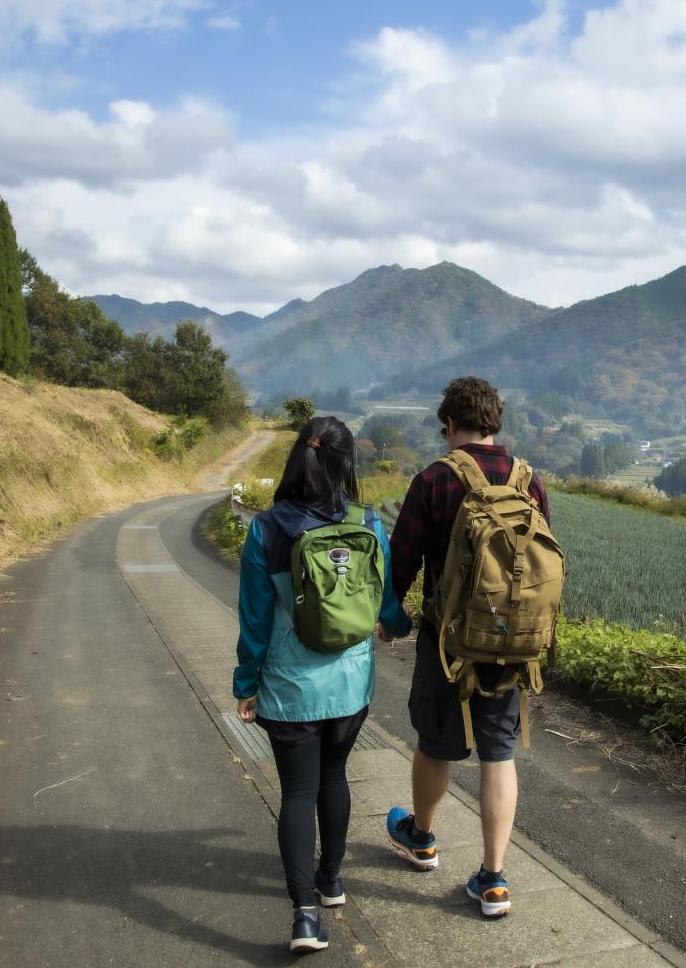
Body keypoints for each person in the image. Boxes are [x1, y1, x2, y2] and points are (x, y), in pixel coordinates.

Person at [234, 415, 412, 954]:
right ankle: (331, 880)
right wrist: (398, 628)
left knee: (298, 792)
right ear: (346, 464)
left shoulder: (266, 530)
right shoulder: (368, 521)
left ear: (298, 458)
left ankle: (306, 915)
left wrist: (246, 683)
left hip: (290, 690)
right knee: (334, 779)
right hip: (351, 685)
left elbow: (255, 621)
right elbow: (385, 604)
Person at [381, 376, 551, 919]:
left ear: (449, 422)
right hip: (514, 643)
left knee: (435, 741)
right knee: (498, 752)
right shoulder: (529, 480)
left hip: (447, 640)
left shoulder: (434, 478)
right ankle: (494, 879)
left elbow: (403, 559)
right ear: (494, 420)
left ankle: (423, 838)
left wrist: (393, 620)